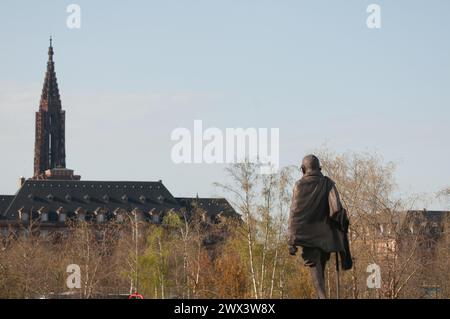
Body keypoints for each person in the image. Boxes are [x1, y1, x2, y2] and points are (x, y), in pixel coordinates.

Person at [288, 154, 352, 299]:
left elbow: (294, 214)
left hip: (308, 238)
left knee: (316, 270)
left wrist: (291, 240)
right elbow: (336, 209)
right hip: (326, 239)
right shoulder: (327, 183)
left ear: (303, 169)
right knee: (319, 268)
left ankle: (322, 297)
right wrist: (342, 220)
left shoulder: (299, 185)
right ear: (320, 168)